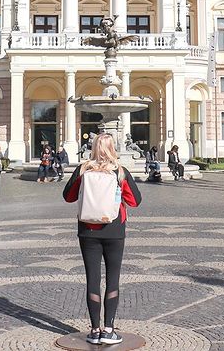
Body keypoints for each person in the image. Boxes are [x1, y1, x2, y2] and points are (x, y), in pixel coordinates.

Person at [63, 133, 141, 346]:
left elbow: (67, 196)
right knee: (113, 278)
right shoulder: (120, 171)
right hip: (114, 230)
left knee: (93, 279)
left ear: (94, 147)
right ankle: (109, 329)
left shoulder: (83, 169)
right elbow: (135, 200)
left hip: (88, 231)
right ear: (112, 147)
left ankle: (95, 330)